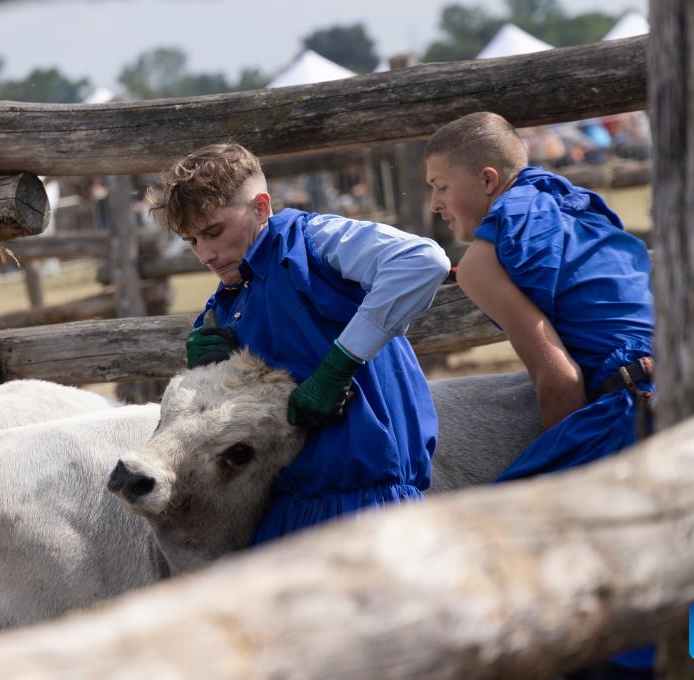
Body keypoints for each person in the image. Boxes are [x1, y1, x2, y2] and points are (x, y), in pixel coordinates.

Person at [424, 112, 655, 678]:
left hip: (631, 408)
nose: (435, 203)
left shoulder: (482, 260)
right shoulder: (575, 202)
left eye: (440, 186)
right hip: (692, 384)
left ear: (485, 179)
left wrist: (563, 484)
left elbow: (558, 380)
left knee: (515, 556)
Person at [149, 142, 451, 544]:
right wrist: (213, 375)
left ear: (260, 207)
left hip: (371, 505)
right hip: (285, 512)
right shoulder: (229, 299)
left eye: (213, 232)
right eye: (191, 241)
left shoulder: (312, 241)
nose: (204, 253)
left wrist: (337, 366)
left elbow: (422, 261)